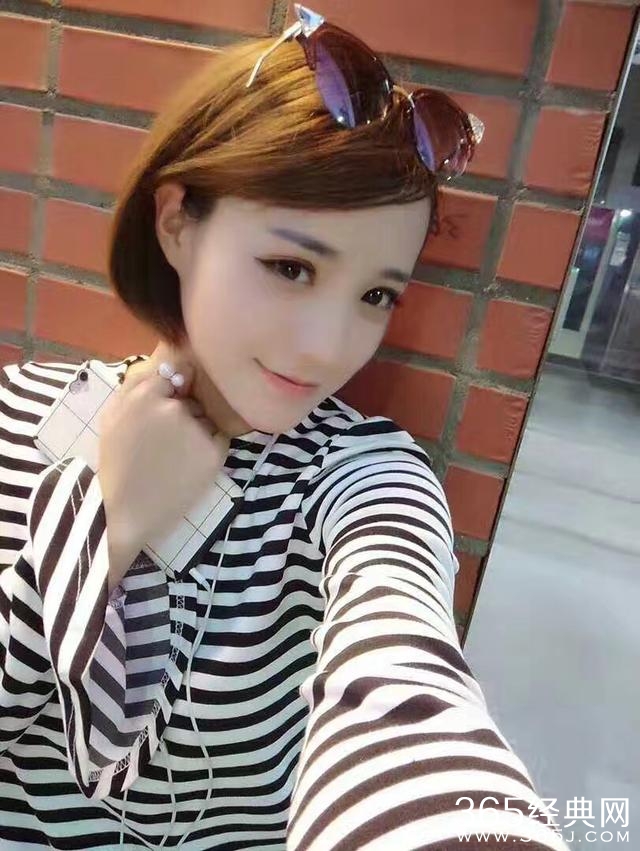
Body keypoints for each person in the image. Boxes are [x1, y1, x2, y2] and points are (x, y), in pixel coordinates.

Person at [0, 6, 569, 850]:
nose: (327, 345)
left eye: (376, 294)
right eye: (291, 266)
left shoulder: (362, 478)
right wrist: (108, 522)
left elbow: (401, 667)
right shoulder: (22, 419)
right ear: (177, 223)